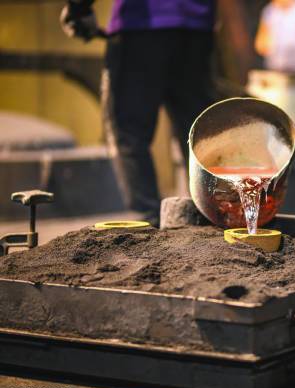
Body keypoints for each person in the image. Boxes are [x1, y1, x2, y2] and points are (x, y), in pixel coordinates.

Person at [60, 0, 217, 227]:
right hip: (197, 26)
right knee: (200, 133)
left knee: (127, 131)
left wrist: (79, 8)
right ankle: (210, 218)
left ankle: (148, 222)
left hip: (141, 23)